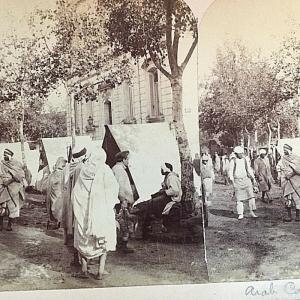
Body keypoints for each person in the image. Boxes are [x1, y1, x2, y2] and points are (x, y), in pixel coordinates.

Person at [72, 147, 119, 279]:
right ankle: (100, 271)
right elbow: (113, 190)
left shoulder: (84, 171)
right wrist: (108, 205)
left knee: (84, 240)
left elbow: (76, 192)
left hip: (84, 212)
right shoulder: (105, 170)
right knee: (103, 240)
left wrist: (80, 208)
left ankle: (84, 270)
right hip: (101, 212)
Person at [133, 162, 182, 237]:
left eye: (162, 169)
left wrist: (164, 192)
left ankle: (143, 221)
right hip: (167, 197)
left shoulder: (171, 177)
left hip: (171, 199)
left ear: (166, 169)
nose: (161, 170)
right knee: (152, 199)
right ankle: (142, 215)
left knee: (152, 203)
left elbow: (175, 190)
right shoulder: (168, 177)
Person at [62, 146, 87, 265]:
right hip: (78, 201)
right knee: (79, 229)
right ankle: (80, 259)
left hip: (67, 201)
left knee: (71, 227)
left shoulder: (67, 167)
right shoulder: (81, 168)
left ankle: (75, 258)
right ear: (82, 156)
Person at [112, 150, 136, 253]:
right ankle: (122, 245)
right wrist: (123, 200)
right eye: (128, 159)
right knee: (124, 223)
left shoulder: (117, 169)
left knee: (122, 222)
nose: (128, 162)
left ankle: (121, 244)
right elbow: (120, 187)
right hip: (121, 201)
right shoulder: (119, 171)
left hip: (121, 200)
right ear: (123, 159)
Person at [228, 146, 258, 220]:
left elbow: (249, 169)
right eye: (239, 153)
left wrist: (253, 178)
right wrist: (232, 181)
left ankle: (252, 212)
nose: (241, 154)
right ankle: (240, 214)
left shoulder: (245, 160)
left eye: (242, 153)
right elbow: (230, 172)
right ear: (236, 154)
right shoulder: (233, 161)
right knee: (239, 199)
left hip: (246, 179)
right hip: (237, 181)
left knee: (251, 197)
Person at [0, 149, 26, 231]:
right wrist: (5, 181)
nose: (4, 156)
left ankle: (9, 225)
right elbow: (1, 174)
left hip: (14, 188)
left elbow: (20, 175)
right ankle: (0, 225)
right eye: (3, 155)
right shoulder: (2, 164)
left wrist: (10, 180)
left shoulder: (17, 164)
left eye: (6, 155)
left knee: (13, 207)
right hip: (4, 187)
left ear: (10, 155)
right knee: (2, 206)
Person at [277, 144, 300, 222]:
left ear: (289, 149)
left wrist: (291, 174)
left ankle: (298, 216)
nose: (284, 151)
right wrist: (281, 175)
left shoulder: (296, 158)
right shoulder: (283, 158)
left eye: (285, 149)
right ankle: (289, 216)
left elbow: (298, 169)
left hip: (295, 181)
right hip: (286, 181)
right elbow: (279, 167)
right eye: (283, 149)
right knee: (288, 199)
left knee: (297, 199)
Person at [46, 157, 67, 229]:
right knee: (58, 208)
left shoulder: (54, 173)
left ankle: (56, 222)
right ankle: (57, 222)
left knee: (56, 208)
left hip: (55, 193)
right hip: (58, 193)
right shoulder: (60, 173)